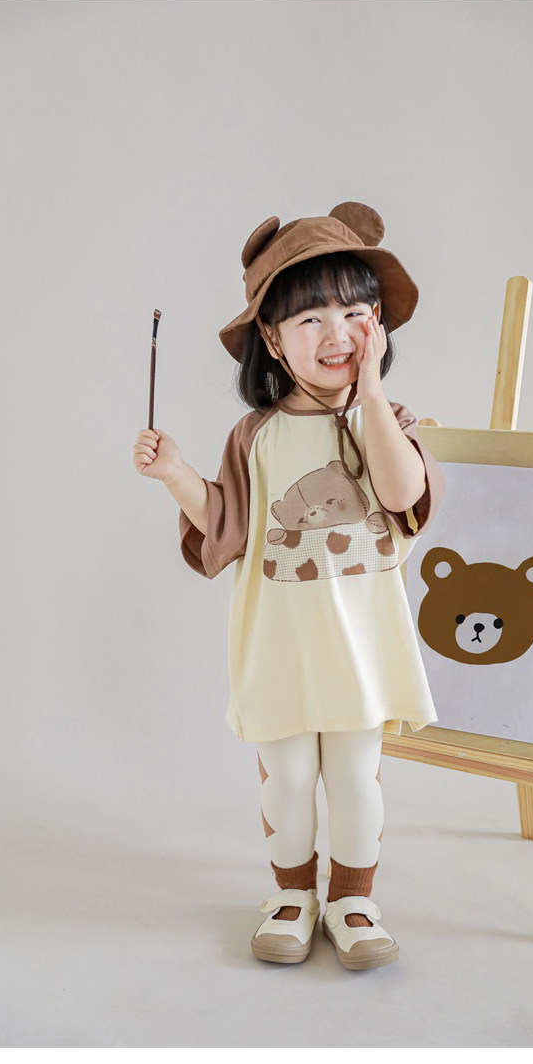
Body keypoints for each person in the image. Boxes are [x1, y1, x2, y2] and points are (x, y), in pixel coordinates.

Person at [132, 202, 445, 971]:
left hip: (361, 648)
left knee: (356, 777)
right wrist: (175, 473)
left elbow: (403, 495)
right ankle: (291, 894)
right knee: (289, 779)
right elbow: (226, 526)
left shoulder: (387, 420)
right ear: (272, 340)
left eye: (354, 312)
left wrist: (372, 394)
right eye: (310, 319)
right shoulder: (256, 437)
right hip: (278, 646)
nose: (337, 332)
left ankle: (354, 901)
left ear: (378, 325)